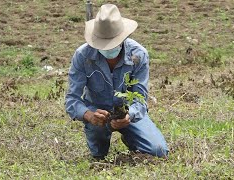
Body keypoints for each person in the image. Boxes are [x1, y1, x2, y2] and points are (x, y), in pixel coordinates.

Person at [65, 4, 168, 159]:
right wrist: (89, 115)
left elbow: (140, 99)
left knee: (158, 151)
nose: (108, 49)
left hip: (128, 114)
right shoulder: (83, 56)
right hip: (97, 115)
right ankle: (99, 143)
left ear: (123, 38)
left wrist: (129, 115)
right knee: (99, 155)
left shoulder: (138, 55)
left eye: (112, 43)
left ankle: (129, 136)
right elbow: (72, 99)